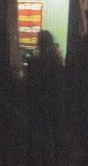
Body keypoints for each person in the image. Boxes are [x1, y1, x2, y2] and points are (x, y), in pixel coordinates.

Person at [27, 30, 64, 165]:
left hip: (41, 104)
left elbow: (32, 85)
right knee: (54, 134)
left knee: (43, 135)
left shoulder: (37, 62)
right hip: (54, 102)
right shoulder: (56, 60)